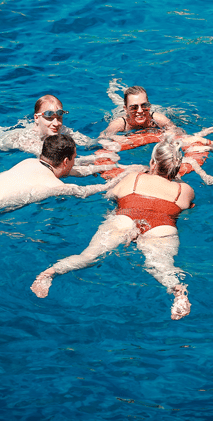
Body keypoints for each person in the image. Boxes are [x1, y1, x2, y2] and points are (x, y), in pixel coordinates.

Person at [30, 136, 196, 320]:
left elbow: (111, 195)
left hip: (125, 219)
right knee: (162, 268)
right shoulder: (185, 190)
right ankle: (179, 294)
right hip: (161, 227)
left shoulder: (134, 177)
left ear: (152, 162)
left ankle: (48, 274)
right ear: (177, 166)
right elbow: (187, 206)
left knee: (88, 256)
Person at [100, 86, 178, 137]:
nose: (140, 111)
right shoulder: (120, 124)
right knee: (117, 100)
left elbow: (178, 131)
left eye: (144, 105)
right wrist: (115, 139)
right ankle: (112, 89)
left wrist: (170, 133)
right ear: (126, 109)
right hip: (120, 112)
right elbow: (102, 138)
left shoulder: (158, 119)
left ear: (149, 106)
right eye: (134, 107)